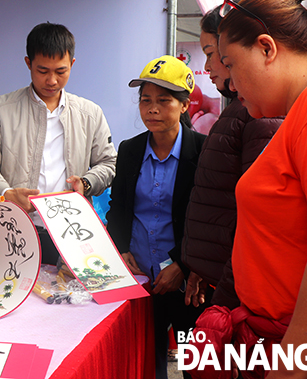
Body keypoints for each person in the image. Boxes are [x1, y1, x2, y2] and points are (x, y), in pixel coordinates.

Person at [209, 0, 307, 377]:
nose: (229, 82)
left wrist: (290, 368)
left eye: (230, 63)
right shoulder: (302, 112)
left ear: (266, 48)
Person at [0, 22, 117, 264]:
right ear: (28, 63)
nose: (52, 80)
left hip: (71, 231)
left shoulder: (90, 113)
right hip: (14, 228)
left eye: (61, 71)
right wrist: (7, 193)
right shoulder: (1, 109)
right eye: (42, 71)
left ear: (72, 64)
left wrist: (86, 183)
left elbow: (108, 163)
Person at [106, 55, 206, 379]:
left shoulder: (203, 152)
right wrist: (121, 251)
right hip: (141, 280)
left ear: (184, 105)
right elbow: (119, 208)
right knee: (146, 362)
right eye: (146, 100)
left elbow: (207, 220)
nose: (152, 109)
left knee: (196, 365)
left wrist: (182, 265)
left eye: (164, 101)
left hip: (186, 284)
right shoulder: (130, 150)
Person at [181, 8, 283, 310]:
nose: (209, 66)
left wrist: (225, 292)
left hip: (237, 290)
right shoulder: (240, 109)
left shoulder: (259, 110)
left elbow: (255, 219)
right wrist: (202, 267)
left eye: (216, 56)